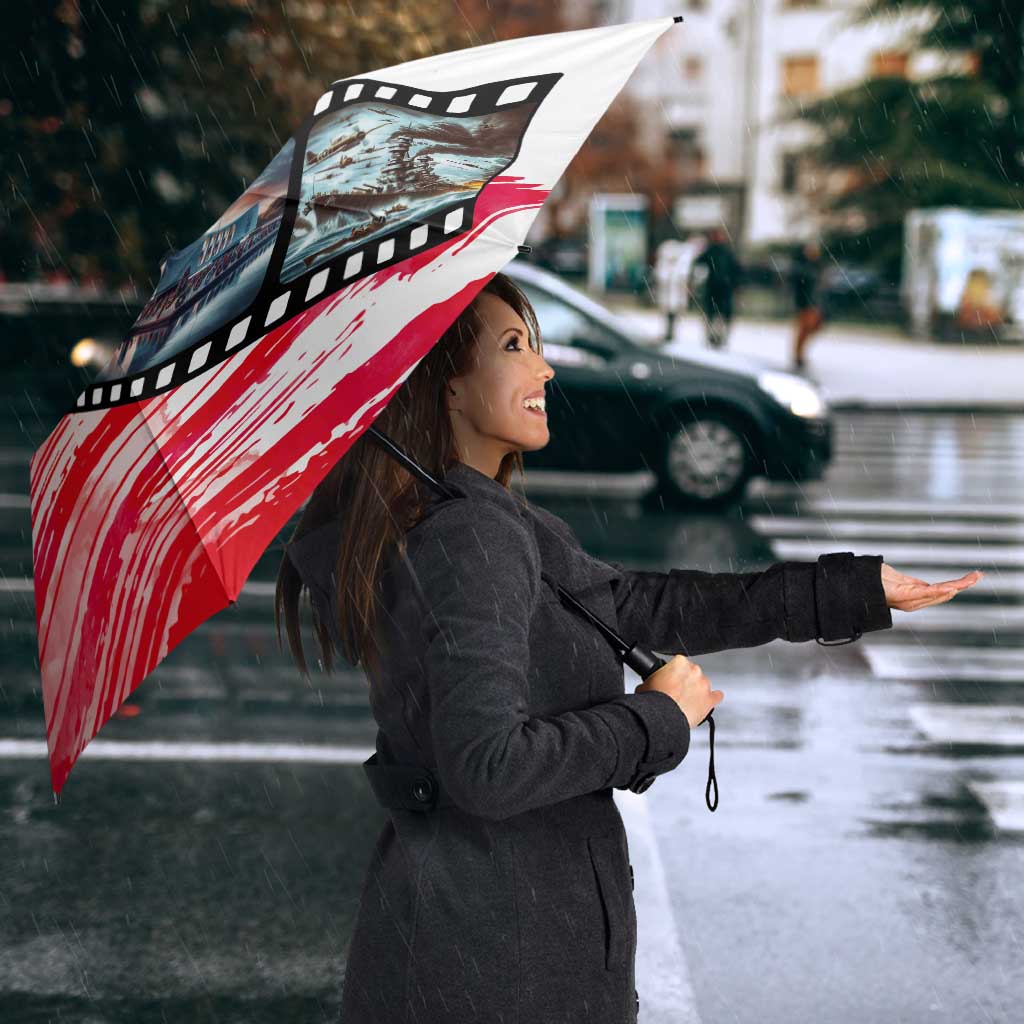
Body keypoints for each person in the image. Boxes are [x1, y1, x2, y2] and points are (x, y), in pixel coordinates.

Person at [276, 272, 983, 1024]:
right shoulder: (470, 536)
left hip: (481, 940)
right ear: (447, 388)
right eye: (514, 346)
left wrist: (848, 590)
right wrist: (655, 719)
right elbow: (487, 767)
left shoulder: (480, 519)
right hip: (498, 961)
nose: (544, 368)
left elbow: (643, 606)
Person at [692, 226, 742, 349]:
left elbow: (736, 270)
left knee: (720, 315)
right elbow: (698, 264)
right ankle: (713, 337)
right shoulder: (712, 251)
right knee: (713, 314)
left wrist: (735, 284)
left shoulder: (725, 252)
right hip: (715, 288)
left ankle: (719, 337)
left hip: (723, 288)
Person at [790, 239, 826, 370]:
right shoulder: (802, 267)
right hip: (805, 303)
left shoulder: (817, 266)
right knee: (804, 329)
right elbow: (799, 286)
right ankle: (798, 355)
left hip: (814, 303)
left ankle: (799, 354)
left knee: (812, 328)